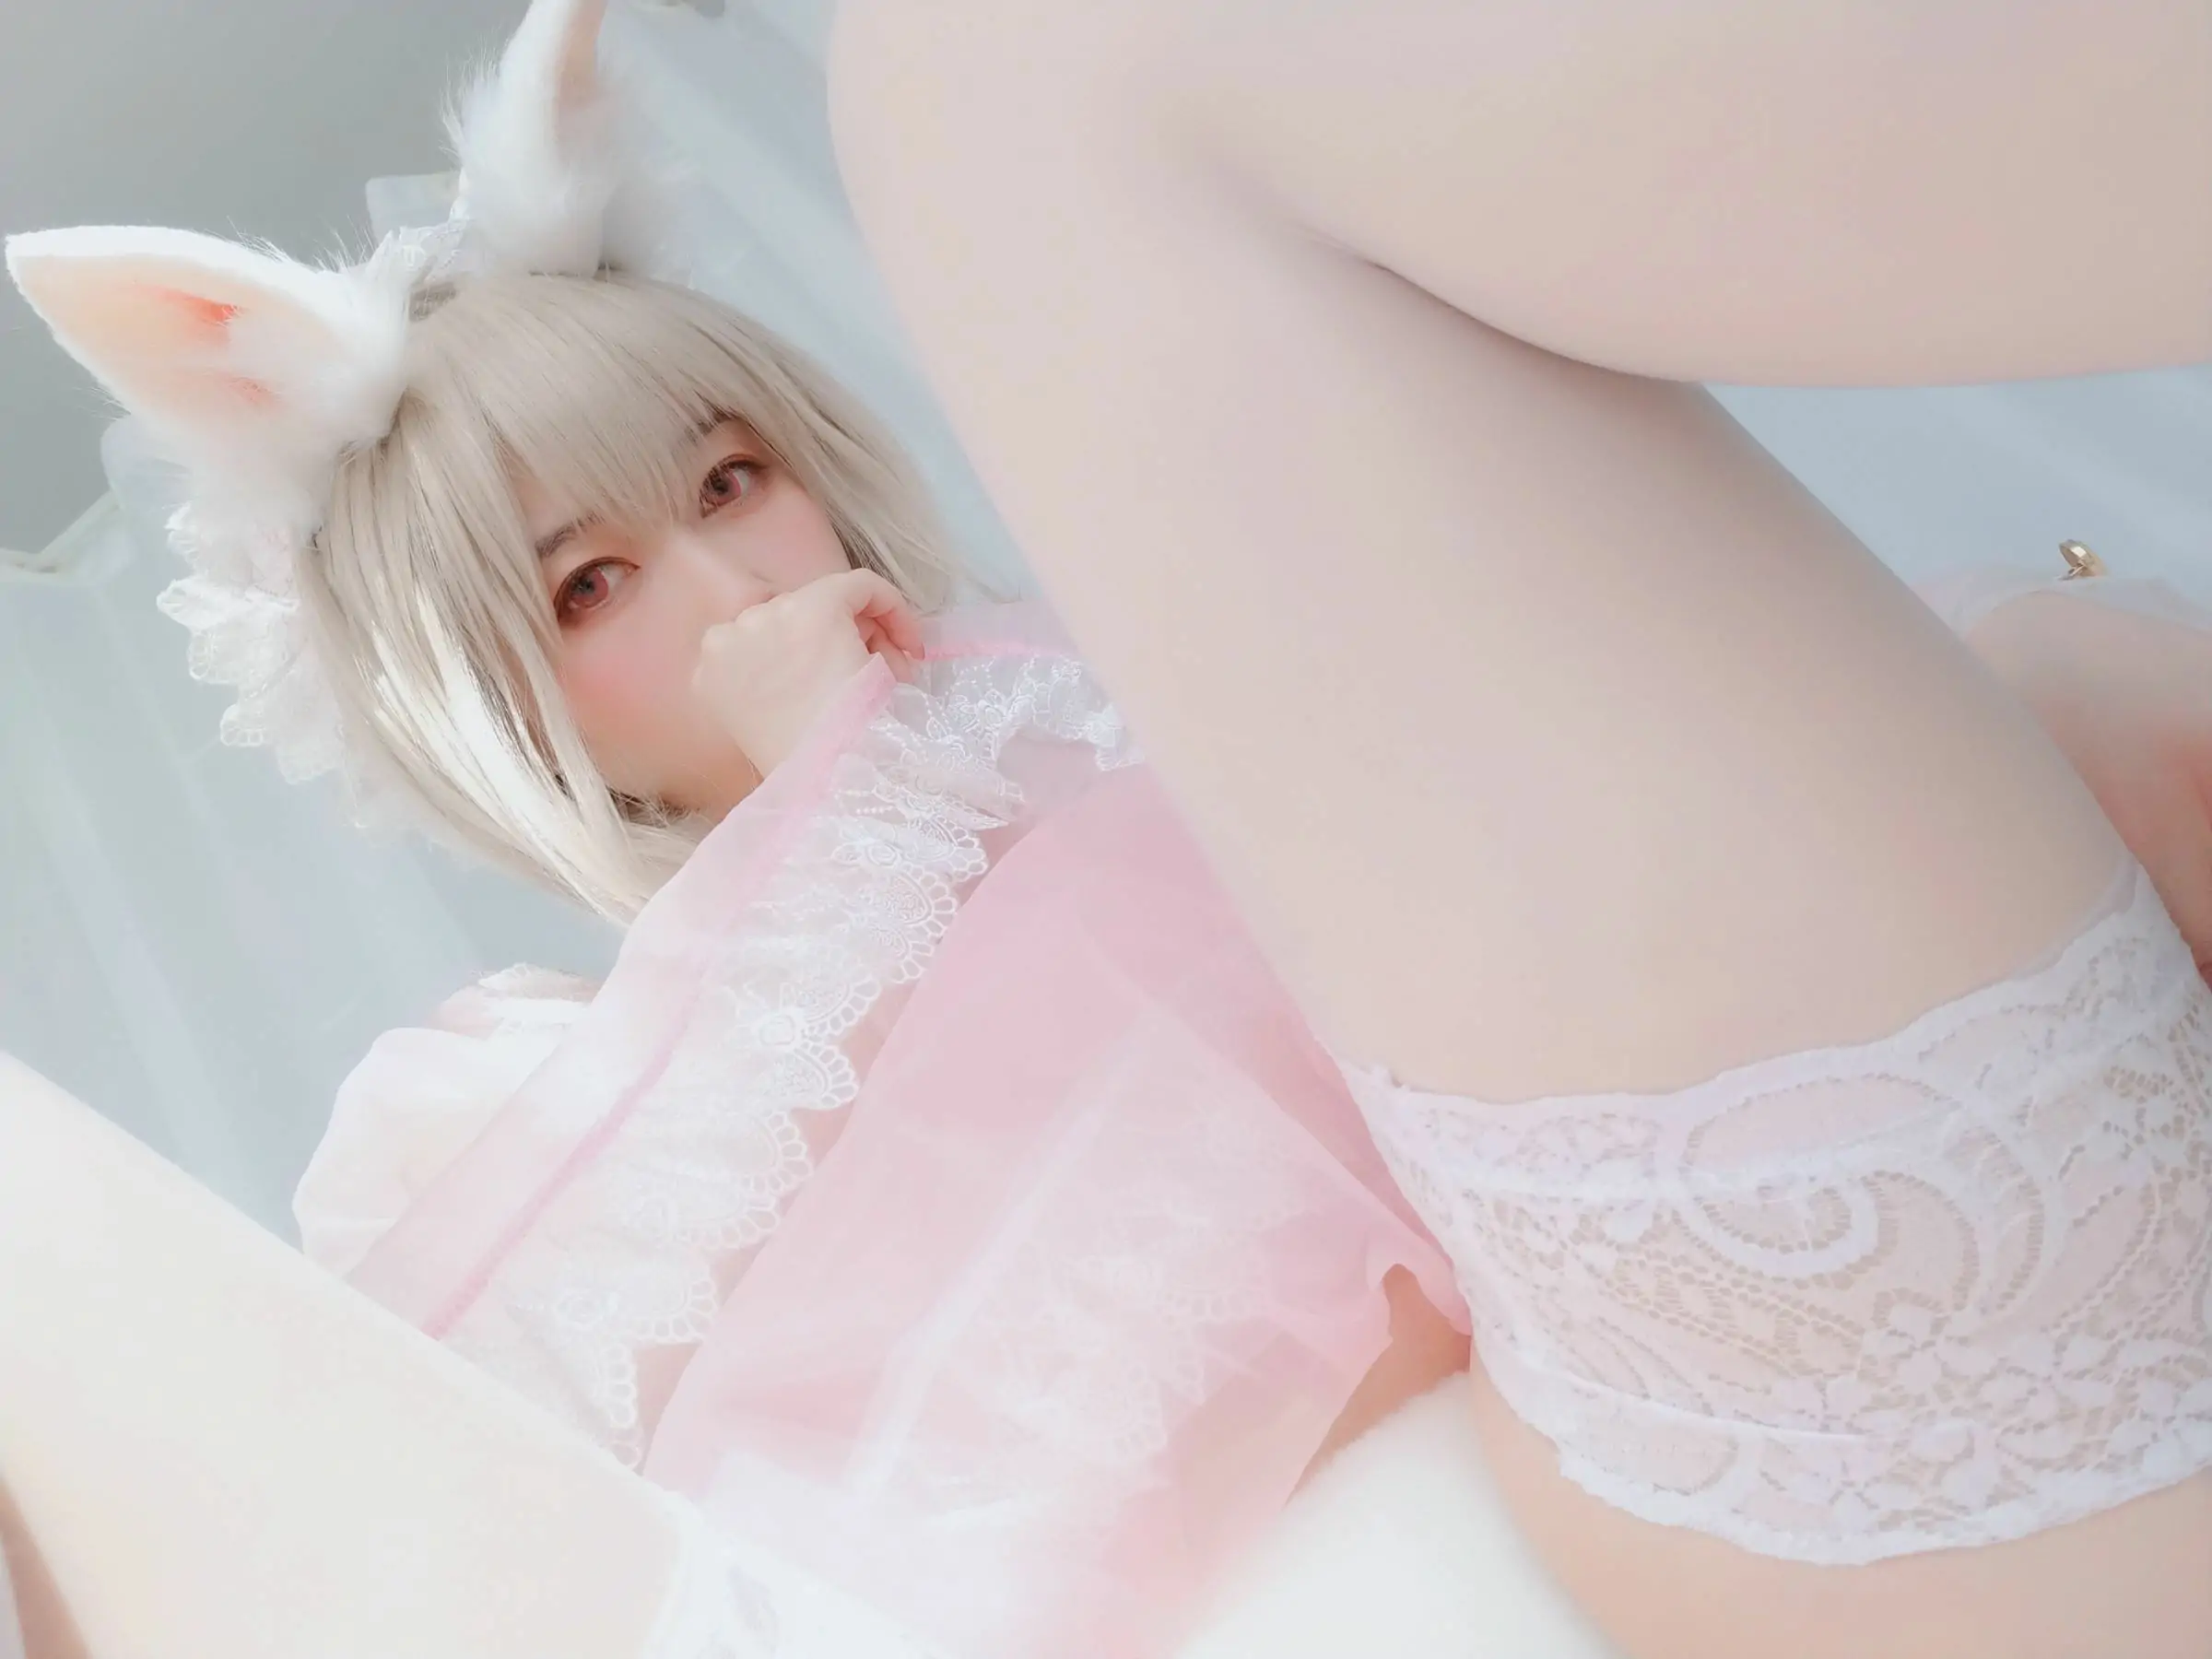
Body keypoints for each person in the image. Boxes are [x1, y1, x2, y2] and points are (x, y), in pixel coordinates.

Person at [2, 1, 2207, 1655]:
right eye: (590, 585)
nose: (728, 570)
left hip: (1726, 1309)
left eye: (732, 477)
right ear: (502, 719)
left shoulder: (1149, 682)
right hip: (1514, 1495)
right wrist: (848, 801)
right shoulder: (496, 1101)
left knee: (2055, 665)